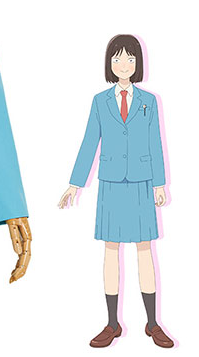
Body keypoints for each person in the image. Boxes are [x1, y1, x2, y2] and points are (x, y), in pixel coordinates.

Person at [58, 34, 173, 348]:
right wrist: (75, 183)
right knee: (111, 251)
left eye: (130, 59)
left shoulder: (149, 101)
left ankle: (152, 323)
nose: (124, 65)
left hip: (141, 182)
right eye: (118, 58)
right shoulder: (100, 101)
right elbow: (89, 141)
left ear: (138, 63)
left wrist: (159, 183)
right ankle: (112, 323)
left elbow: (155, 143)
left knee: (144, 249)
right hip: (110, 182)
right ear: (109, 63)